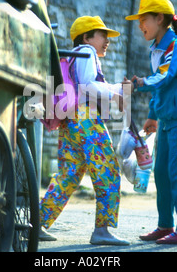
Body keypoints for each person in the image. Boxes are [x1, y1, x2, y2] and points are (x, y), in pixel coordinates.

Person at [38, 16, 129, 246]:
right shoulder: (87, 52)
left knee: (68, 173)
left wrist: (117, 89)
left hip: (70, 120)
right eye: (102, 35)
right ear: (87, 37)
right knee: (107, 169)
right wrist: (116, 92)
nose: (107, 40)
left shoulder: (70, 56)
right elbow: (88, 85)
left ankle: (36, 222)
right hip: (86, 119)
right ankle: (102, 230)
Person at [124, 0, 177, 244]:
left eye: (143, 20)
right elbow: (161, 89)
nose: (140, 26)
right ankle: (165, 225)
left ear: (159, 19)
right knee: (161, 173)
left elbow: (164, 78)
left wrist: (140, 82)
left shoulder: (174, 47)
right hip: (166, 122)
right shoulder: (155, 49)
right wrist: (152, 116)